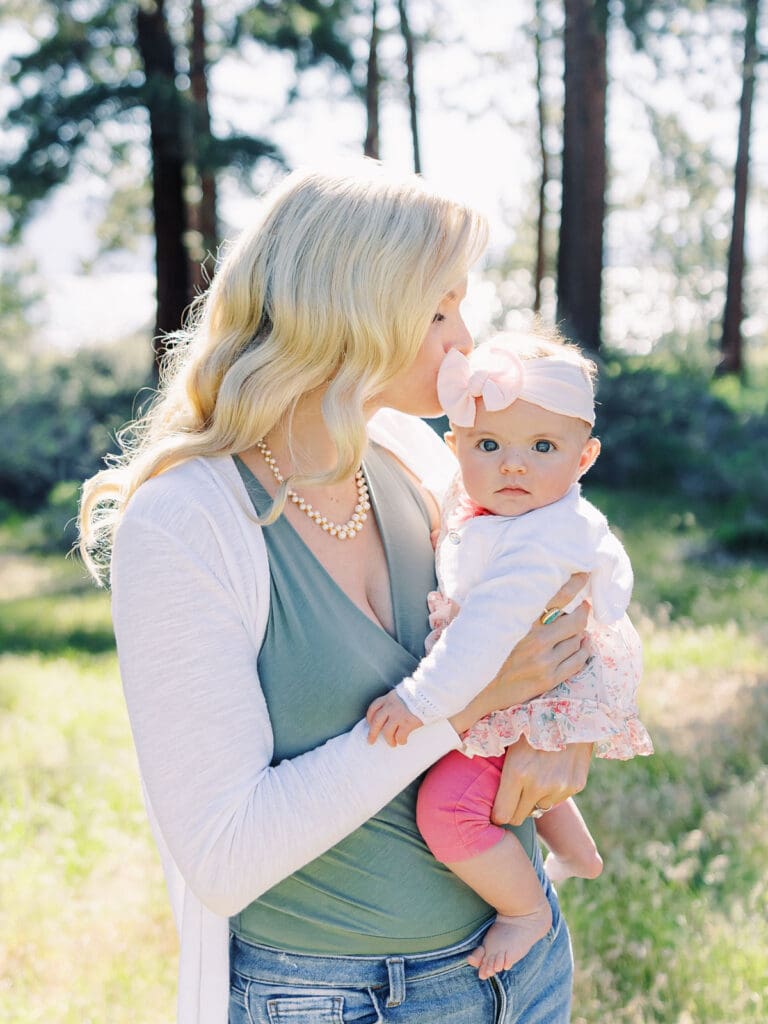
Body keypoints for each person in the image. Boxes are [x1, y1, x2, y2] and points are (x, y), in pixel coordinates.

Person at [79, 162, 595, 1024]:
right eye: (438, 310)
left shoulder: (413, 457)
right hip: (338, 1001)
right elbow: (225, 852)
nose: (463, 338)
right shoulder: (186, 523)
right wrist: (458, 712)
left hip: (522, 970)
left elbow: (566, 571)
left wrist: (566, 727)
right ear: (349, 310)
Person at [366, 331, 653, 982]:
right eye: (489, 446)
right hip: (538, 678)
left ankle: (526, 911)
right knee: (516, 761)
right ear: (455, 448)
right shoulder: (503, 506)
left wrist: (419, 700)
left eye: (542, 448)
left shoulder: (537, 542)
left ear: (585, 458)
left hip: (528, 676)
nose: (513, 466)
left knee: (448, 809)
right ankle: (579, 854)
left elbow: (483, 641)